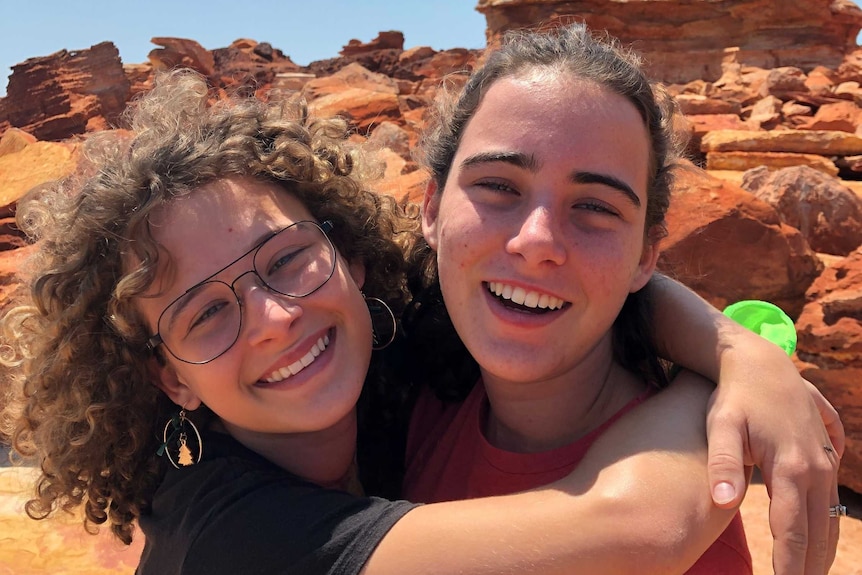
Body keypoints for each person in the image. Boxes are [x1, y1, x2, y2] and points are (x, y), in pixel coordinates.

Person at [0, 69, 839, 574]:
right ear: (169, 373)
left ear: (353, 254)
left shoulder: (388, 342)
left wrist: (742, 351)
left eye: (289, 257)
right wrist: (722, 384)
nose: (275, 317)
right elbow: (636, 531)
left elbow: (574, 279)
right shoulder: (224, 530)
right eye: (205, 312)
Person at [403, 22, 843, 575]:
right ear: (432, 209)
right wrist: (738, 348)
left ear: (645, 257)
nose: (537, 241)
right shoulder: (404, 391)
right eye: (499, 185)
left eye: (597, 207)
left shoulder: (696, 539)